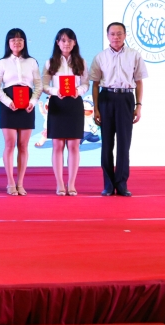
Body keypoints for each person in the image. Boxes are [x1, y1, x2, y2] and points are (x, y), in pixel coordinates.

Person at [89, 22, 148, 197]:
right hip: (106, 98)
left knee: (124, 144)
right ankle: (108, 184)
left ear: (125, 35)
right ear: (108, 36)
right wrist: (96, 108)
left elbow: (139, 82)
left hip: (126, 99)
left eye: (119, 33)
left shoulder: (134, 55)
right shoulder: (100, 57)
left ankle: (121, 184)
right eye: (113, 34)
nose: (116, 37)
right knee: (107, 144)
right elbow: (95, 85)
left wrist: (138, 105)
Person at [0, 28, 43, 196]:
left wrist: (33, 102)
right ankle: (10, 182)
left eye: (20, 39)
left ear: (24, 42)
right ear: (8, 43)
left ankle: (20, 182)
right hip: (9, 104)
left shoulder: (32, 62)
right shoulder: (2, 62)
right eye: (13, 40)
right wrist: (7, 101)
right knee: (10, 143)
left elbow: (38, 85)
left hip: (27, 103)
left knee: (23, 145)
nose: (17, 42)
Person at [42, 28, 89, 196]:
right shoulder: (50, 63)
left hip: (74, 104)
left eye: (70, 40)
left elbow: (86, 83)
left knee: (74, 145)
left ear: (74, 43)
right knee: (58, 145)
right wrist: (56, 91)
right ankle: (60, 184)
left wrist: (78, 91)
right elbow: (44, 85)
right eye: (63, 40)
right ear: (57, 43)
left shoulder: (81, 62)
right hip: (57, 104)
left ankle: (72, 184)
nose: (66, 43)